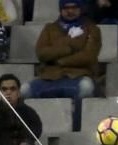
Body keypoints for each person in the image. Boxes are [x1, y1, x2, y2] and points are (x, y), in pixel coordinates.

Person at [24, 0, 100, 130]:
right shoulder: (49, 28)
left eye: (74, 7)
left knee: (86, 87)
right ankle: (32, 131)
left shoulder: (92, 29)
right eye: (66, 8)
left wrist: (59, 60)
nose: (70, 11)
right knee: (25, 90)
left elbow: (88, 57)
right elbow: (42, 53)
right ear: (60, 10)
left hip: (77, 77)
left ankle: (76, 131)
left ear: (80, 8)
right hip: (49, 78)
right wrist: (70, 47)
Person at [0, 73, 44, 145]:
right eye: (4, 89)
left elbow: (37, 128)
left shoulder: (29, 113)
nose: (8, 93)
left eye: (12, 89)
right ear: (0, 92)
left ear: (18, 92)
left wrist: (27, 141)